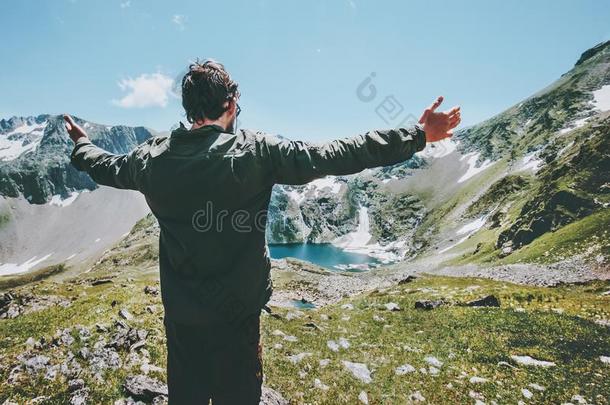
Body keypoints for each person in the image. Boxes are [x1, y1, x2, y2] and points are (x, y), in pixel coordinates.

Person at [64, 59, 460, 404]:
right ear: (231, 104)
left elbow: (104, 165)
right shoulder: (255, 151)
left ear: (188, 110)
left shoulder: (151, 159)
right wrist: (417, 134)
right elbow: (335, 153)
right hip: (238, 315)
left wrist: (82, 143)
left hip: (183, 318)